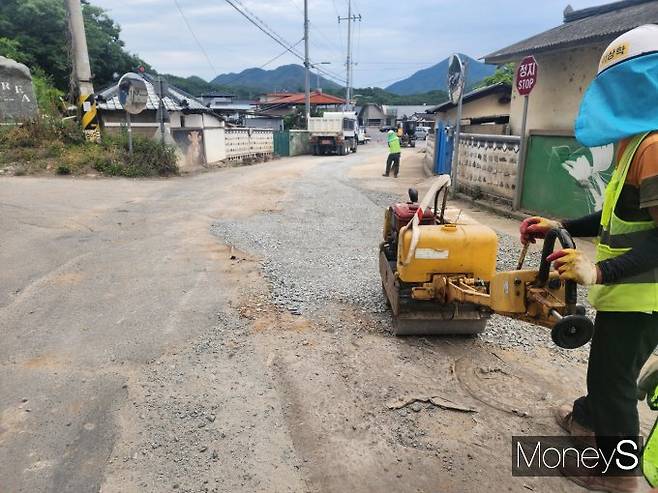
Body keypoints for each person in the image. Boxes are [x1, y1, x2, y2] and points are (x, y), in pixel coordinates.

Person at [520, 24, 658, 492]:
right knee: (606, 369)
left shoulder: (655, 147)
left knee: (613, 378)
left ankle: (618, 475)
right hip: (630, 292)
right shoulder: (637, 142)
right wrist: (559, 226)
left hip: (645, 298)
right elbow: (615, 213)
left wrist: (595, 269)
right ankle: (586, 419)